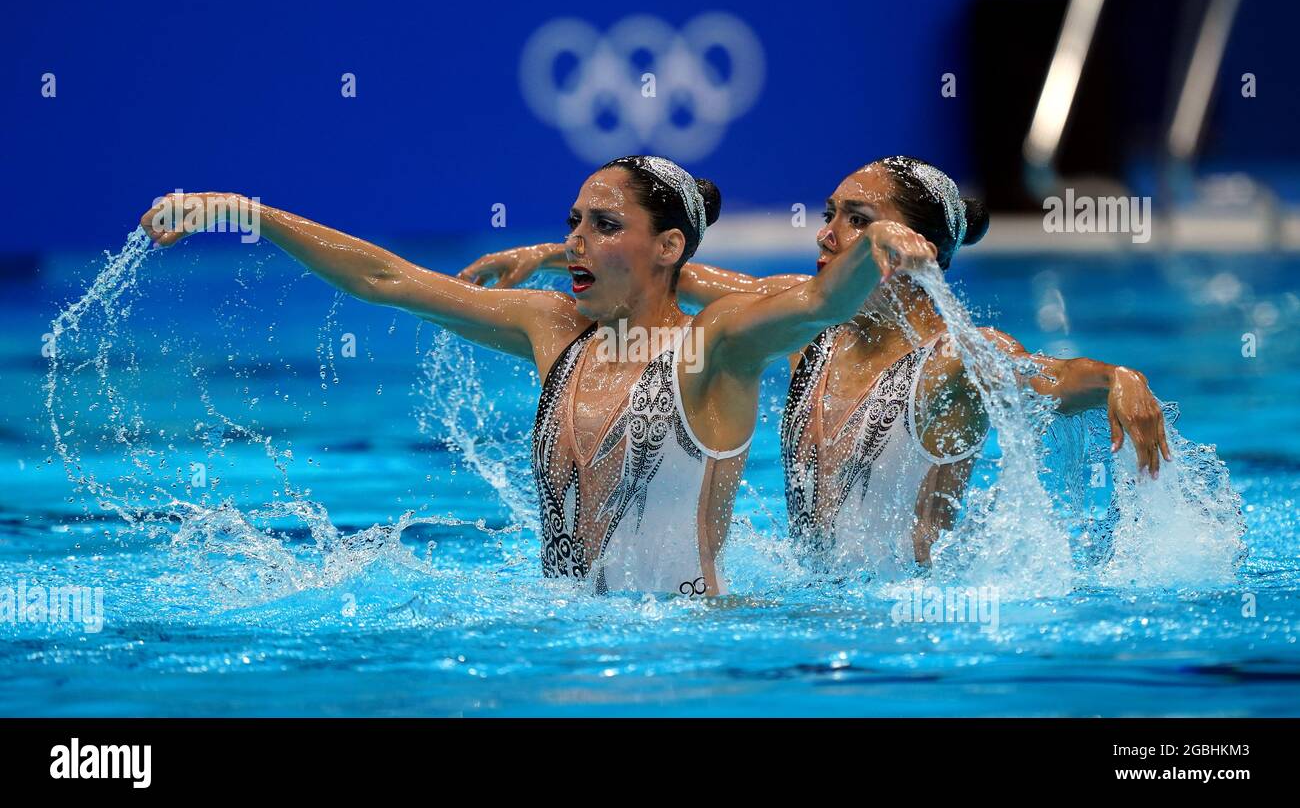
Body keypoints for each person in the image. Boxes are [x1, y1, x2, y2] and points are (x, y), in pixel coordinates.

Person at [140, 155, 924, 594]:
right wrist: (244, 210)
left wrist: (881, 238)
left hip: (689, 663)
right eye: (572, 224)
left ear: (669, 248)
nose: (576, 242)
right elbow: (388, 280)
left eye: (605, 225)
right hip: (561, 643)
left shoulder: (715, 347)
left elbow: (822, 299)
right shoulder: (553, 328)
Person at [458, 156, 1170, 578]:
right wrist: (552, 256)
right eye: (831, 214)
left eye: (857, 219)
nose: (828, 235)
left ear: (908, 244)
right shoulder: (812, 335)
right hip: (816, 617)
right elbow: (688, 276)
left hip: (907, 629)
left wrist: (1114, 378)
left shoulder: (952, 360)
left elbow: (1046, 379)